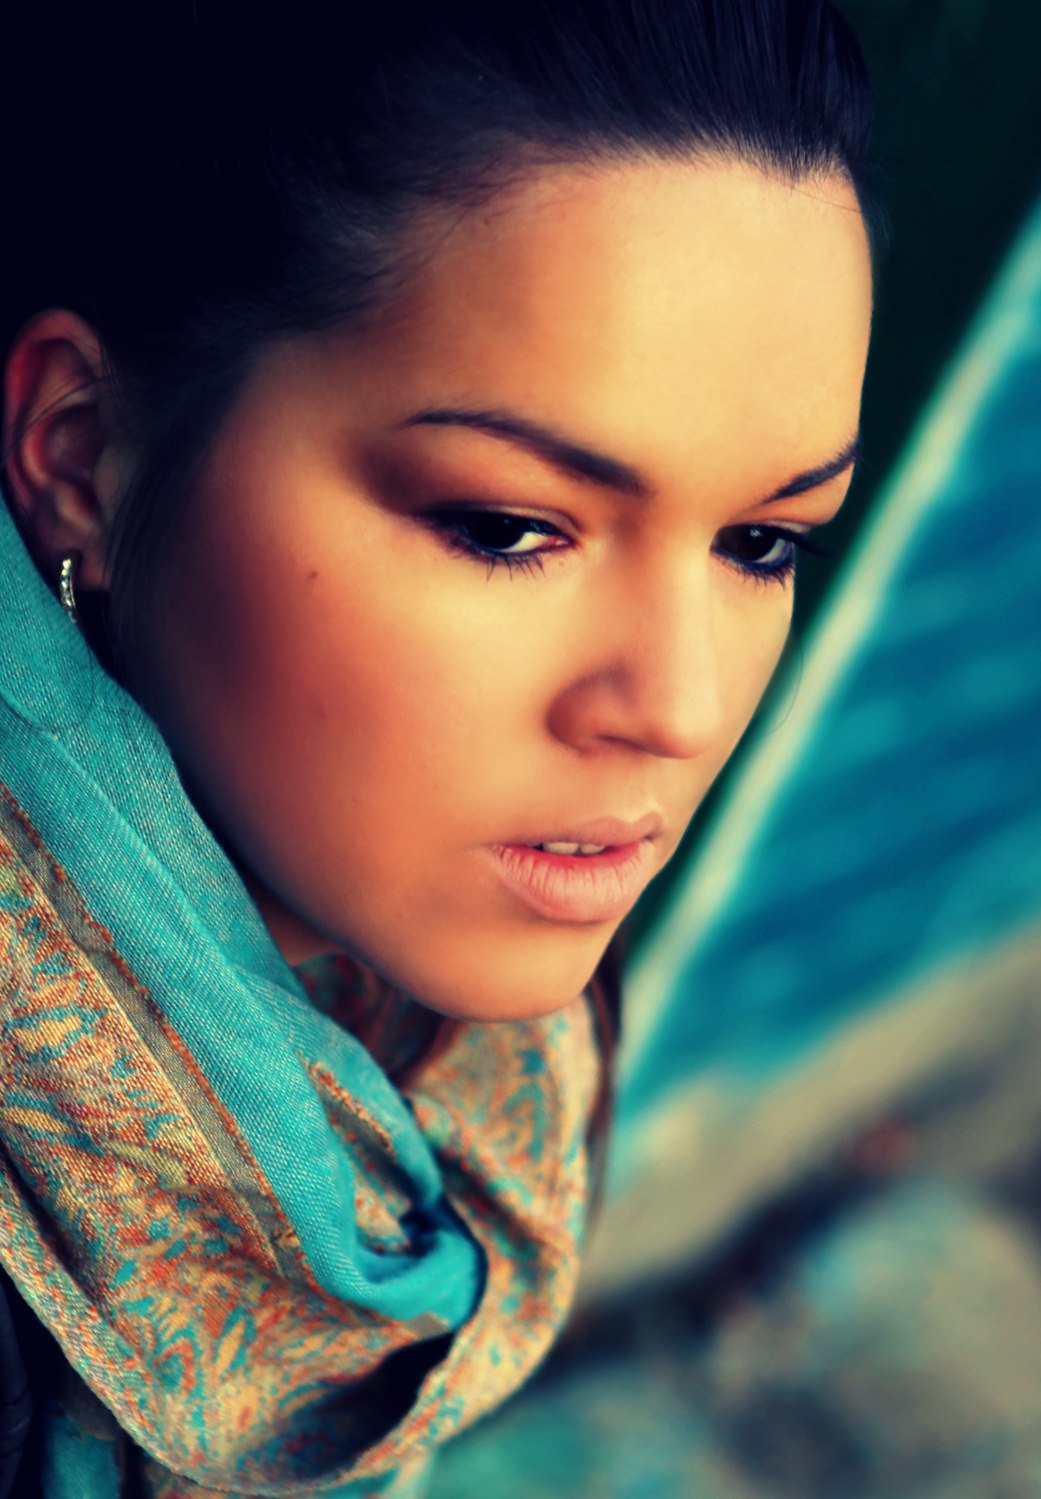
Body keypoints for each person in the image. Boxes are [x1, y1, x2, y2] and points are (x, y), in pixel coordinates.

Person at [0, 0, 875, 1493]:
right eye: (508, 528)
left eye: (761, 543)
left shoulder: (474, 1054)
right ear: (82, 453)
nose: (675, 710)